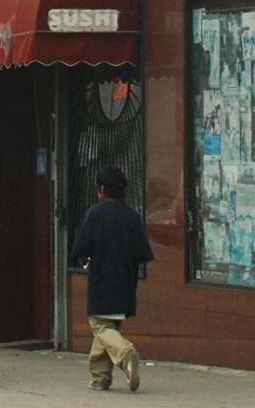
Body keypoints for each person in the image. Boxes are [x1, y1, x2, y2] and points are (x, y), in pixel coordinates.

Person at [70, 166, 154, 392]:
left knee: (100, 326)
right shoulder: (133, 216)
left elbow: (80, 247)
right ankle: (100, 378)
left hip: (102, 280)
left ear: (103, 190)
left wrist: (82, 258)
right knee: (109, 329)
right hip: (126, 282)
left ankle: (126, 355)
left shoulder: (96, 213)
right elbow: (143, 254)